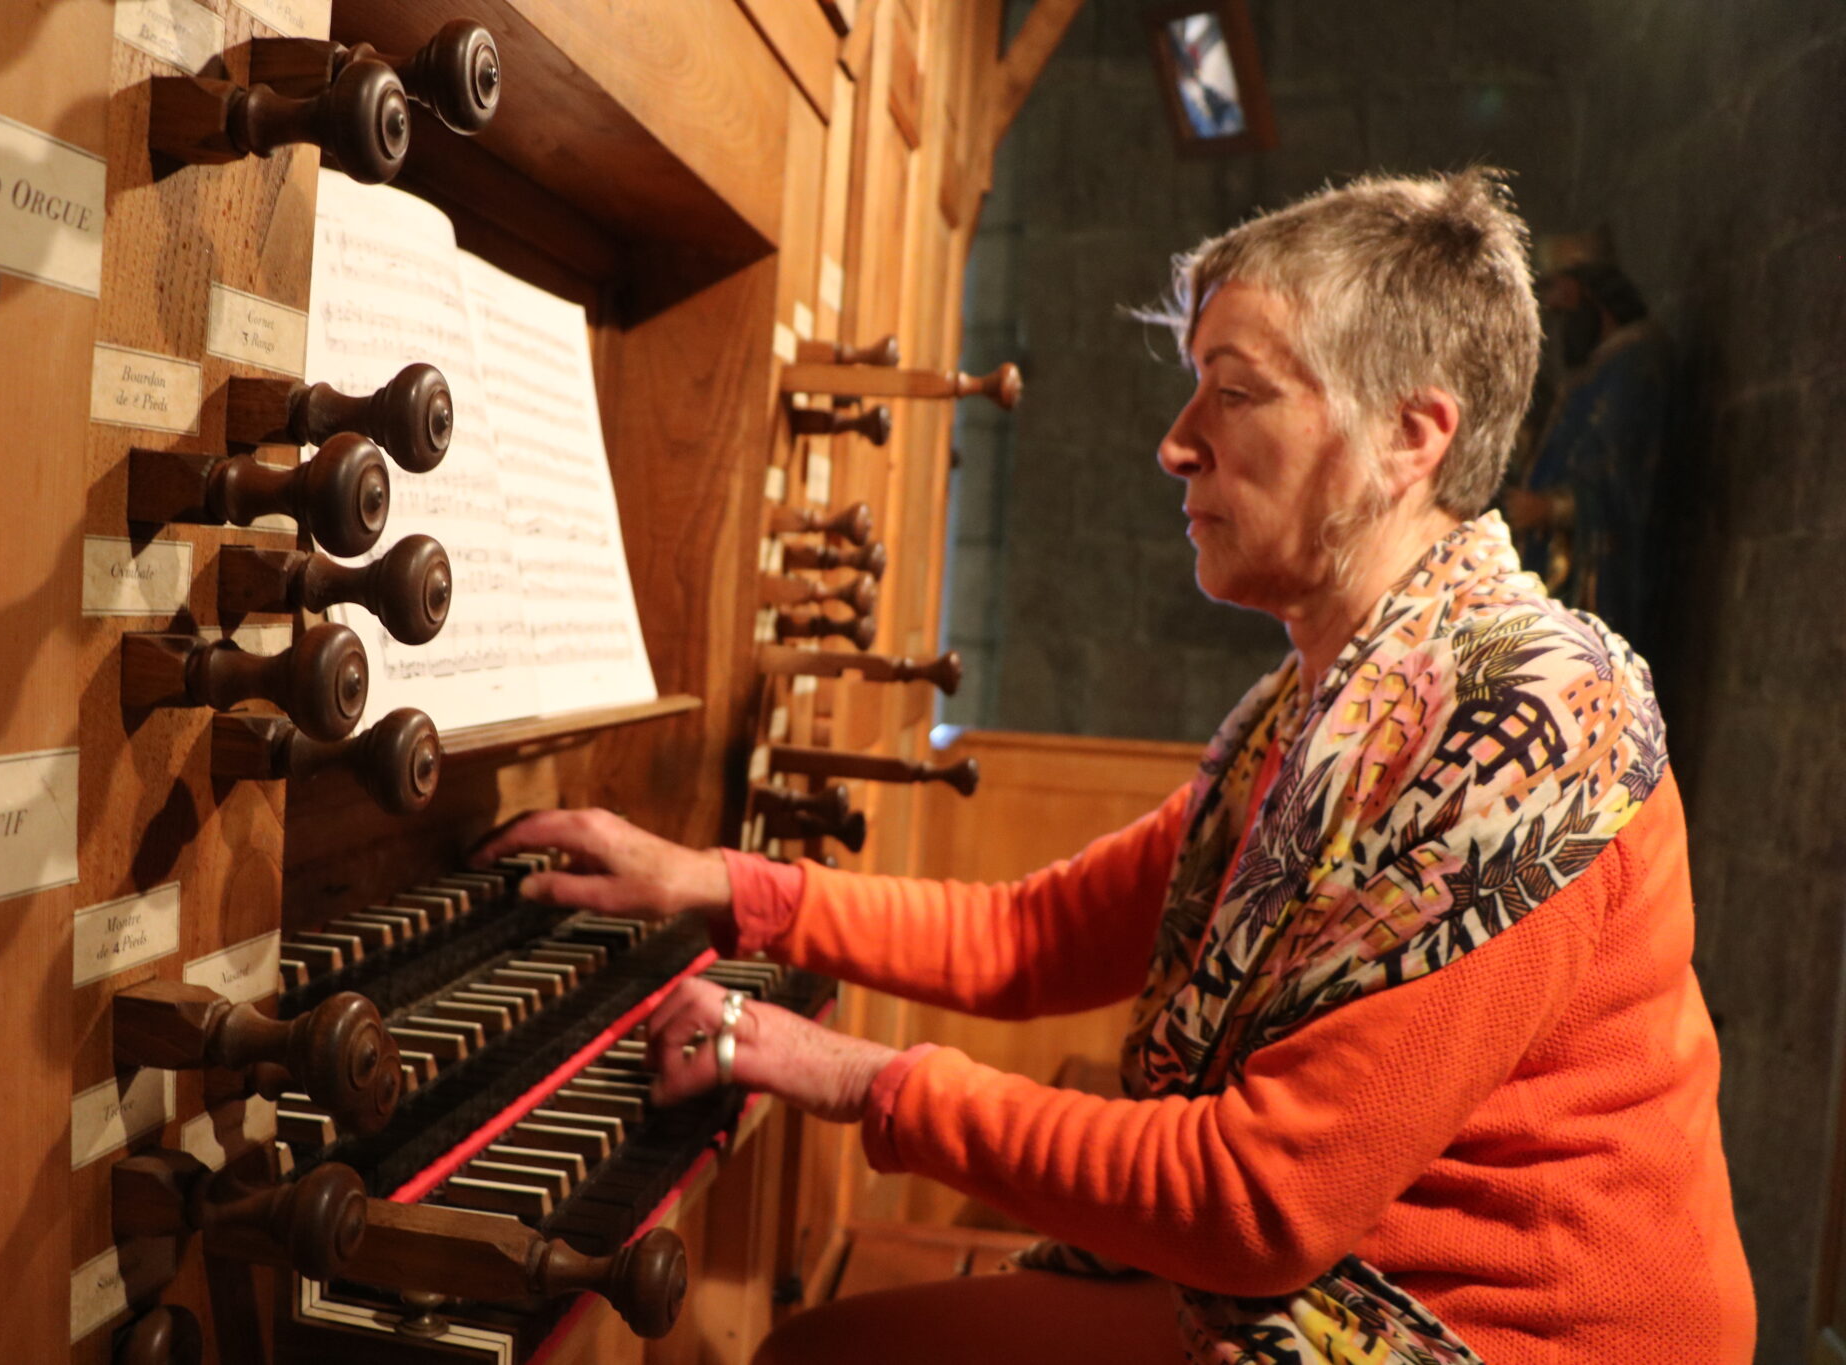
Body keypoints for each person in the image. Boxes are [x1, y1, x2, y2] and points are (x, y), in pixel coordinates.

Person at [477, 170, 1754, 1364]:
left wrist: (837, 1069)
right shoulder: (1321, 710)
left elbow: (1259, 1203)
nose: (1175, 442)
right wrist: (716, 884)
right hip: (1340, 1269)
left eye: (1233, 391)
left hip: (1502, 1338)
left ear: (1411, 436)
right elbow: (1036, 938)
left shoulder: (1530, 717)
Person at [1503, 229, 1675, 648]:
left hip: (1599, 571)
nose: (1555, 308)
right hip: (1553, 565)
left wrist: (1554, 507)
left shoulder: (1636, 362)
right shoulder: (1591, 373)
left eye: (1563, 294)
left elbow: (1629, 476)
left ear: (1592, 294)